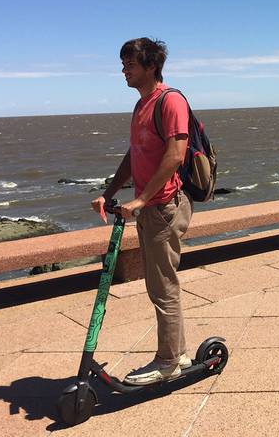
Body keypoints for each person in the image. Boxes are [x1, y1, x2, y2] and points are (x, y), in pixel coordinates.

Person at [91, 37, 193, 385]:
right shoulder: (140, 106)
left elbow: (175, 156)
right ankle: (176, 353)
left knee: (163, 287)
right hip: (150, 207)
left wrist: (141, 199)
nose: (123, 70)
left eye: (130, 64)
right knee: (159, 285)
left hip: (164, 207)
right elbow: (134, 156)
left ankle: (168, 362)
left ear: (151, 66)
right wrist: (109, 193)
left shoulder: (171, 101)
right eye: (123, 64)